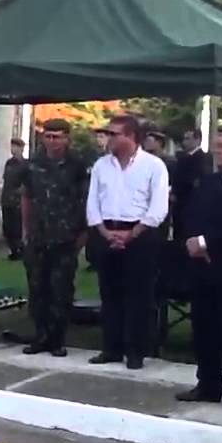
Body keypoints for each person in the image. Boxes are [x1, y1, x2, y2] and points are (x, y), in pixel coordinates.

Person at [85, 114, 170, 371]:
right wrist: (104, 231)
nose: (108, 138)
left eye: (114, 134)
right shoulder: (102, 166)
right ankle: (111, 347)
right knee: (110, 292)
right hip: (107, 231)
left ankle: (136, 350)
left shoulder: (154, 166)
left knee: (139, 294)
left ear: (131, 137)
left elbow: (158, 206)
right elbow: (92, 202)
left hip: (140, 233)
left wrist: (132, 233)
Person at [177, 127, 222, 413]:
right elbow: (192, 213)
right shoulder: (212, 181)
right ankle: (208, 384)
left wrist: (206, 241)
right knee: (204, 328)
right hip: (204, 268)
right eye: (217, 145)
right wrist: (194, 241)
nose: (218, 151)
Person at [20, 120, 90, 357]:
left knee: (61, 291)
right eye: (49, 137)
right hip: (38, 236)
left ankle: (57, 339)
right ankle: (40, 336)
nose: (53, 142)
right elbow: (27, 198)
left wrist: (83, 234)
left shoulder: (78, 166)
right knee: (38, 289)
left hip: (66, 237)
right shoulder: (33, 165)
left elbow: (86, 201)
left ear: (67, 139)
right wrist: (25, 230)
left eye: (58, 137)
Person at [171, 129, 213, 241]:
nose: (185, 142)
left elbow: (195, 180)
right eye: (184, 139)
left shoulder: (202, 158)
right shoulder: (183, 157)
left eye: (188, 138)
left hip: (190, 202)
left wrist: (178, 192)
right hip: (179, 204)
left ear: (198, 140)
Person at [1, 137, 28, 260]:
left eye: (16, 147)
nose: (13, 149)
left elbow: (27, 183)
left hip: (17, 201)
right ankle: (13, 249)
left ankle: (20, 250)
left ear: (21, 148)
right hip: (6, 198)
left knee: (17, 227)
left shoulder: (25, 165)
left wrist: (20, 194)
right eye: (12, 146)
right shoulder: (9, 163)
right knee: (7, 227)